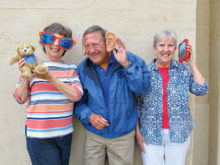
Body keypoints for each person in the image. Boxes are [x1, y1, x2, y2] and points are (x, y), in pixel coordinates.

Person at [74, 25, 151, 165]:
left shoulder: (130, 60)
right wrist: (89, 116)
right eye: (87, 46)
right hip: (94, 136)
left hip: (123, 135)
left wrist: (126, 65)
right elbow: (78, 102)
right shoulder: (82, 69)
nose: (91, 50)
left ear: (107, 43)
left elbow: (142, 89)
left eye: (95, 45)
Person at [13, 23, 83, 165]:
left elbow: (76, 95)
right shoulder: (32, 65)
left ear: (65, 47)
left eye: (62, 41)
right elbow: (20, 99)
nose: (55, 44)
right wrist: (25, 77)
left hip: (64, 135)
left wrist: (49, 77)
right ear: (43, 42)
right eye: (50, 39)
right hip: (39, 136)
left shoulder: (70, 68)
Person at [135, 29, 209, 165]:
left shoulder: (183, 69)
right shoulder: (145, 72)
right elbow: (137, 105)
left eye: (170, 45)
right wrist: (137, 132)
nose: (166, 49)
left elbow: (201, 89)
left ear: (175, 48)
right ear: (154, 48)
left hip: (179, 132)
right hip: (150, 134)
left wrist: (191, 63)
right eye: (162, 45)